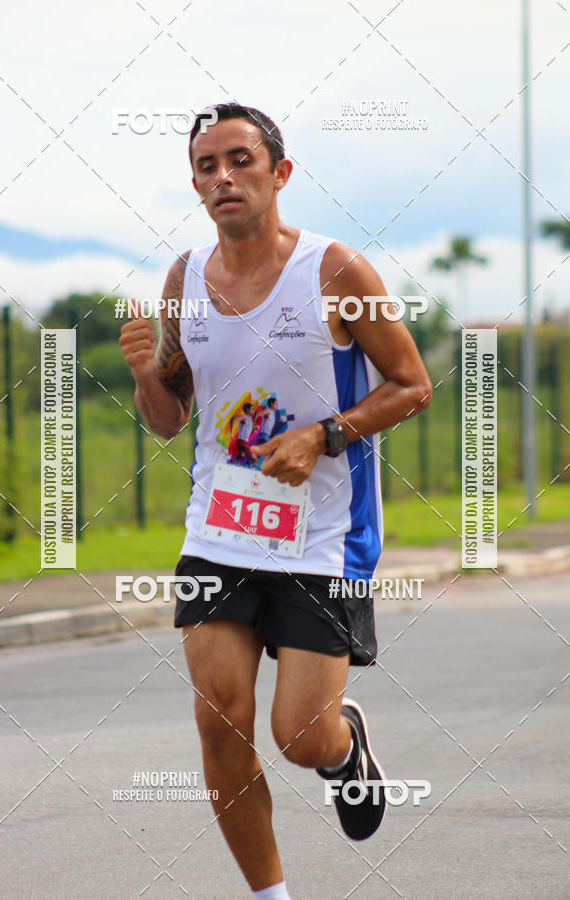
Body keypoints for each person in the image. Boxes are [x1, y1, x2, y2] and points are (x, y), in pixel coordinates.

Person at [119, 102, 432, 899]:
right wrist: (147, 376)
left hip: (324, 536)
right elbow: (169, 422)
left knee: (297, 736)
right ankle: (271, 897)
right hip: (219, 529)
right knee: (218, 718)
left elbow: (412, 385)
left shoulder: (337, 273)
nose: (222, 177)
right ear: (194, 183)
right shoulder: (184, 279)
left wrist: (325, 436)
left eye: (240, 160)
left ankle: (342, 743)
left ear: (279, 172)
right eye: (205, 167)